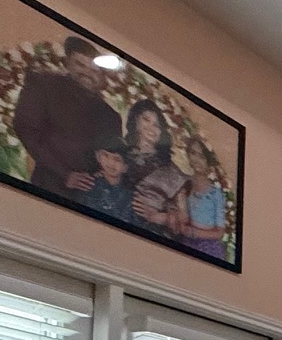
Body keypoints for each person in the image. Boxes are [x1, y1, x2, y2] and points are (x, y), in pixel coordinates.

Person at [11, 35, 120, 195]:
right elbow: (26, 129)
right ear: (68, 62)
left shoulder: (111, 116)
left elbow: (113, 158)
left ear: (103, 76)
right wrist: (64, 174)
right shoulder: (45, 86)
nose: (87, 73)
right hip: (48, 189)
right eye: (80, 64)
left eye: (95, 70)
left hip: (92, 201)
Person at [123, 98, 185, 233]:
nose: (152, 128)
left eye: (157, 125)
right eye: (146, 119)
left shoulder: (170, 170)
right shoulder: (120, 154)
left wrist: (155, 217)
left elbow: (183, 217)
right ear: (136, 121)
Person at [166, 138, 230, 261]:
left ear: (208, 161)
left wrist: (196, 233)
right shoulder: (183, 183)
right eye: (193, 153)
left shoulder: (215, 194)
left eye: (202, 156)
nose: (196, 159)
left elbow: (220, 232)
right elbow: (179, 219)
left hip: (209, 249)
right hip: (185, 244)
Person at [76, 136, 137, 223]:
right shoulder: (87, 185)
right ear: (98, 156)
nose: (111, 163)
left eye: (117, 159)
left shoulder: (131, 197)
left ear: (125, 167)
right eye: (106, 155)